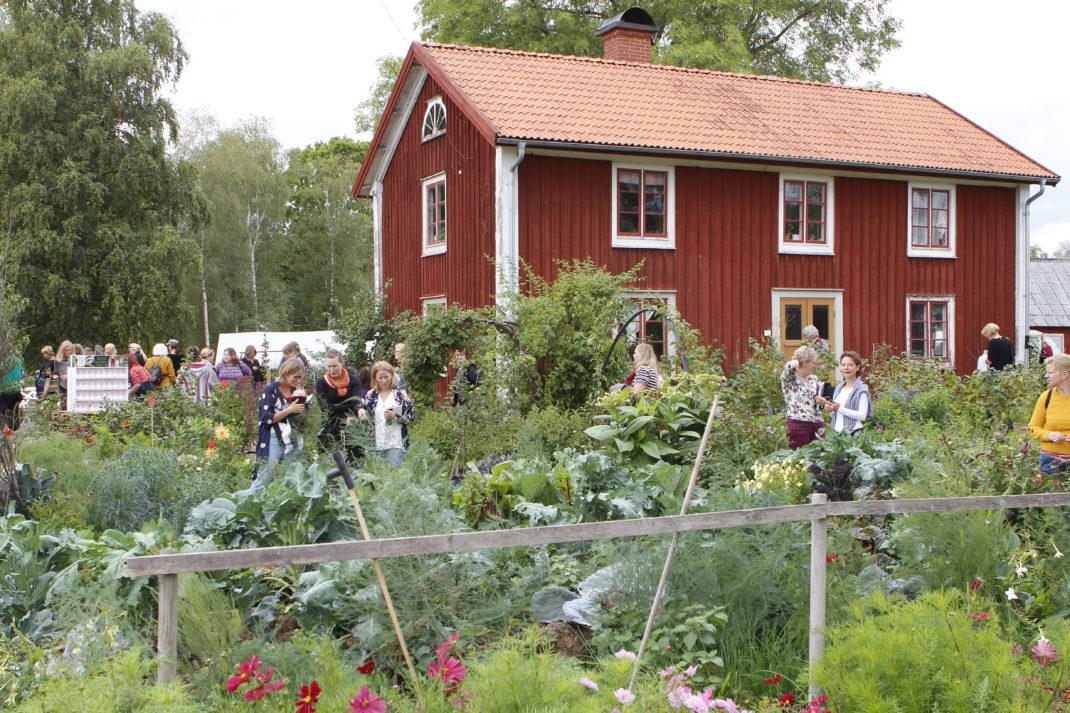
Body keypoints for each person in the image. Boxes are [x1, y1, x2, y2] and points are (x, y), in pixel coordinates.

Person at [252, 357, 307, 490]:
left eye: (300, 378)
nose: (298, 381)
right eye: (296, 377)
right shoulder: (270, 390)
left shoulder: (294, 392)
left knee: (289, 479)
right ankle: (242, 505)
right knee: (263, 479)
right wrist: (289, 410)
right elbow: (266, 418)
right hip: (273, 438)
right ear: (286, 373)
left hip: (291, 438)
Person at [359, 360, 414, 467]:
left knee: (394, 477)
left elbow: (411, 417)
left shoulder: (400, 394)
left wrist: (395, 417)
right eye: (380, 378)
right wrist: (362, 413)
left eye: (386, 377)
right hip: (376, 444)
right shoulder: (371, 395)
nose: (383, 381)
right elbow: (366, 413)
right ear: (375, 378)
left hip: (396, 443)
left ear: (392, 376)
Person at [314, 349, 366, 457]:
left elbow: (356, 401)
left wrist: (358, 409)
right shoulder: (321, 382)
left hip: (351, 423)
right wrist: (348, 407)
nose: (332, 370)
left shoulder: (354, 380)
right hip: (330, 425)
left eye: (335, 366)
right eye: (329, 367)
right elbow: (325, 407)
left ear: (341, 363)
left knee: (355, 458)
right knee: (331, 461)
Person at [1028, 353, 1070, 477]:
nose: (1046, 376)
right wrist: (1050, 435)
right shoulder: (1047, 397)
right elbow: (1032, 428)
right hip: (1050, 462)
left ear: (1064, 374)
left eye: (1050, 372)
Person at [781, 346, 826, 449]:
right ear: (805, 362)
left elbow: (816, 399)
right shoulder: (789, 378)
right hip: (798, 424)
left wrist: (822, 402)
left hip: (818, 423)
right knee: (800, 458)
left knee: (820, 456)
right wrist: (799, 359)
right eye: (813, 363)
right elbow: (789, 366)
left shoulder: (814, 379)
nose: (815, 366)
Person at [823, 351, 873, 434]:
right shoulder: (839, 388)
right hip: (837, 434)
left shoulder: (861, 389)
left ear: (857, 367)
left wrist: (839, 408)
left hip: (854, 434)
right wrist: (830, 409)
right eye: (843, 365)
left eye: (850, 365)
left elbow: (862, 416)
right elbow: (837, 415)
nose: (846, 368)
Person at [0, 345, 25, 430]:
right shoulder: (18, 361)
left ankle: (5, 437)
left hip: (3, 392)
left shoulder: (2, 362)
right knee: (13, 417)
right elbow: (22, 375)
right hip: (16, 391)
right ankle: (13, 435)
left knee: (2, 416)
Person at [54, 340, 75, 408]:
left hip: (73, 384)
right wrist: (56, 376)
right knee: (63, 404)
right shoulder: (58, 361)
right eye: (67, 350)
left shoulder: (74, 360)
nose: (69, 352)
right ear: (63, 350)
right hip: (62, 385)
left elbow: (77, 372)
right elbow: (56, 372)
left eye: (70, 350)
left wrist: (69, 376)